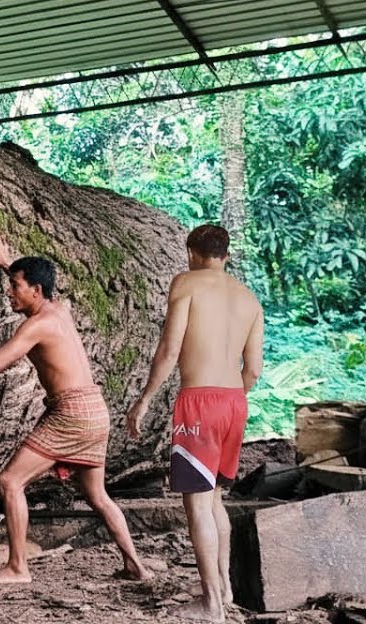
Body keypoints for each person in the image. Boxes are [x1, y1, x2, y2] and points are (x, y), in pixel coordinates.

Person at [0, 229, 151, 584]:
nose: (10, 292)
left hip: (70, 415)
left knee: (9, 481)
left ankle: (18, 568)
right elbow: (39, 282)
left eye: (15, 286)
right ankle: (135, 565)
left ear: (35, 291)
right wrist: (9, 262)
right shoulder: (59, 308)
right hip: (95, 411)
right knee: (97, 495)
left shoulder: (38, 324)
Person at [126, 224, 263, 623]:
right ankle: (224, 588)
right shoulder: (249, 298)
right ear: (227, 255)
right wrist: (231, 400)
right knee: (216, 498)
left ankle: (211, 605)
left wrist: (144, 399)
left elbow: (169, 350)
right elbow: (252, 369)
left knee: (197, 506)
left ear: (190, 251)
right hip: (235, 402)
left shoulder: (185, 283)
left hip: (199, 402)